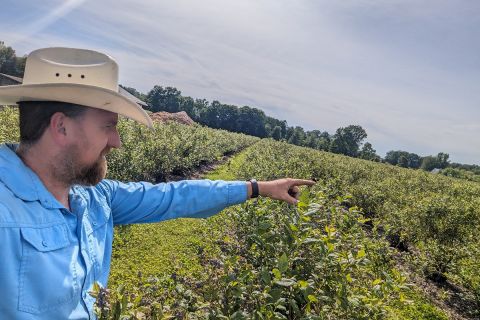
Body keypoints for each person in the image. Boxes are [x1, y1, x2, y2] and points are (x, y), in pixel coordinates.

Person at [0, 47, 315, 319]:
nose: (117, 141)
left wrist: (257, 187)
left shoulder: (93, 197)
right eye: (108, 126)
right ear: (61, 127)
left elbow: (173, 196)